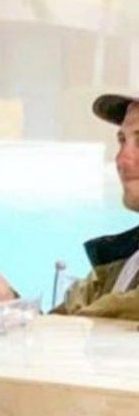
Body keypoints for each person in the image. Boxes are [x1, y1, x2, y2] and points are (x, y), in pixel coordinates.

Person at [53, 92, 139, 319]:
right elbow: (51, 329)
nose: (122, 159)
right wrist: (5, 302)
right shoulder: (125, 263)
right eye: (122, 140)